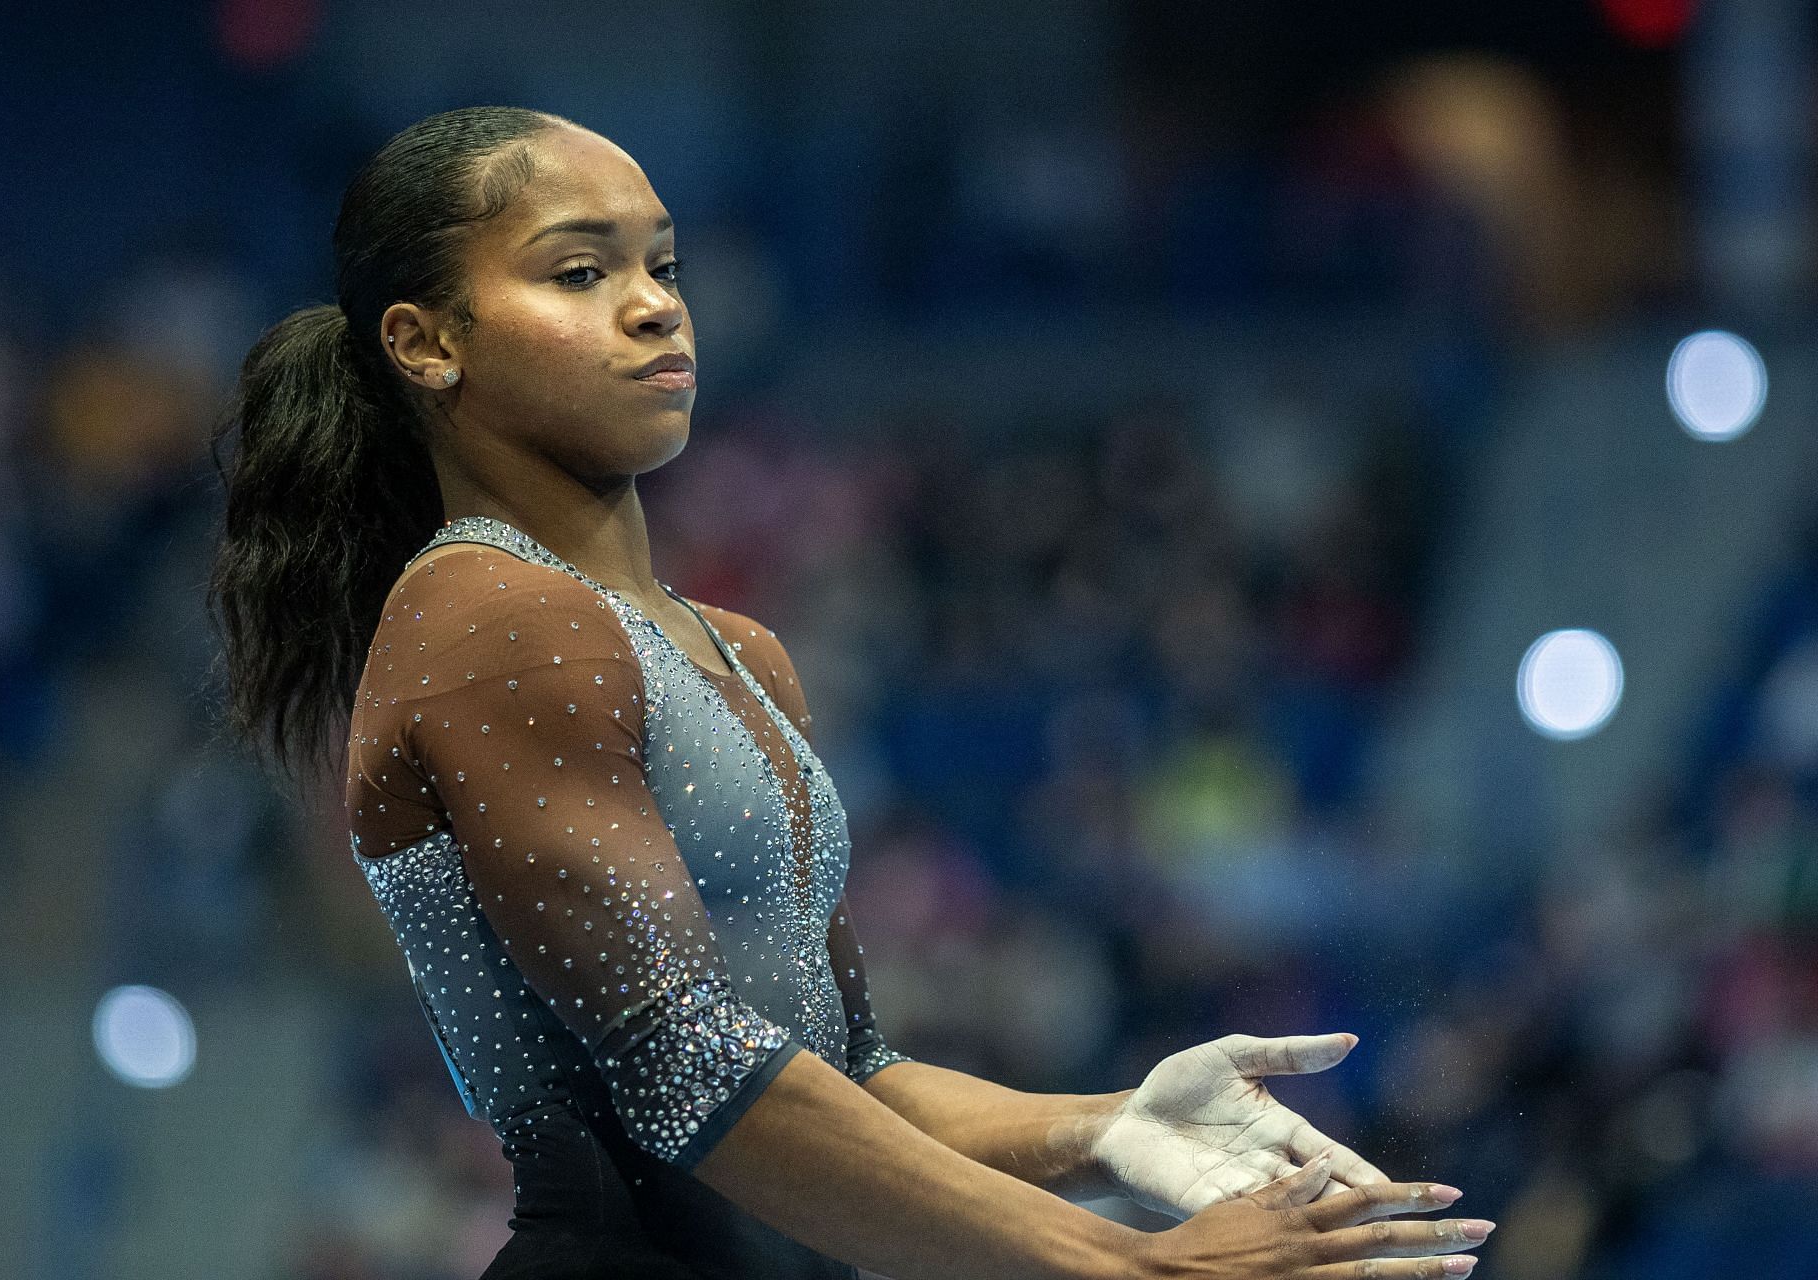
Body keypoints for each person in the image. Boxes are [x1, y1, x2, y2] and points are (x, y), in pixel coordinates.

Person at [207, 106, 1493, 1280]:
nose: (655, 305)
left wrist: (1108, 1127)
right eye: (579, 270)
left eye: (663, 264)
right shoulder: (484, 614)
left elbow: (844, 1072)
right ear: (427, 343)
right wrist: (1133, 1266)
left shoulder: (736, 650)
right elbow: (684, 1067)